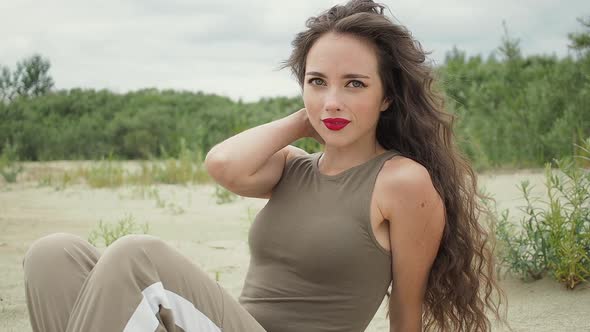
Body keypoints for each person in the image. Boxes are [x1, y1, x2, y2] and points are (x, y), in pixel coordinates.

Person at [23, 0, 508, 331]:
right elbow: (223, 163)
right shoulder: (292, 168)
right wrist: (306, 119)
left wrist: (323, 104)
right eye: (318, 81)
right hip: (234, 322)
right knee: (52, 254)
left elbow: (406, 311)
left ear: (387, 97)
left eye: (355, 84)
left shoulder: (402, 182)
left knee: (137, 255)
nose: (333, 100)